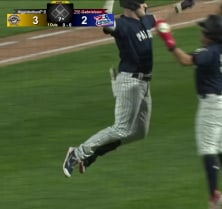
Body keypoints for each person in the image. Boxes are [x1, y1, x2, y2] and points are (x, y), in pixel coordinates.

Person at [62, 0, 195, 178]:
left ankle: (92, 155)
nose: (146, 6)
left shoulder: (144, 21)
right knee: (121, 129)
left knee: (139, 132)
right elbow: (104, 20)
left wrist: (181, 6)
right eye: (142, 3)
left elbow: (161, 16)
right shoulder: (122, 25)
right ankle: (77, 153)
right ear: (133, 6)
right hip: (130, 83)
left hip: (144, 84)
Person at [155, 1, 222, 209]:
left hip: (212, 104)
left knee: (208, 149)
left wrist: (167, 38)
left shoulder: (209, 52)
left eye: (205, 30)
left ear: (211, 36)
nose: (201, 32)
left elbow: (185, 60)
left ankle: (214, 195)